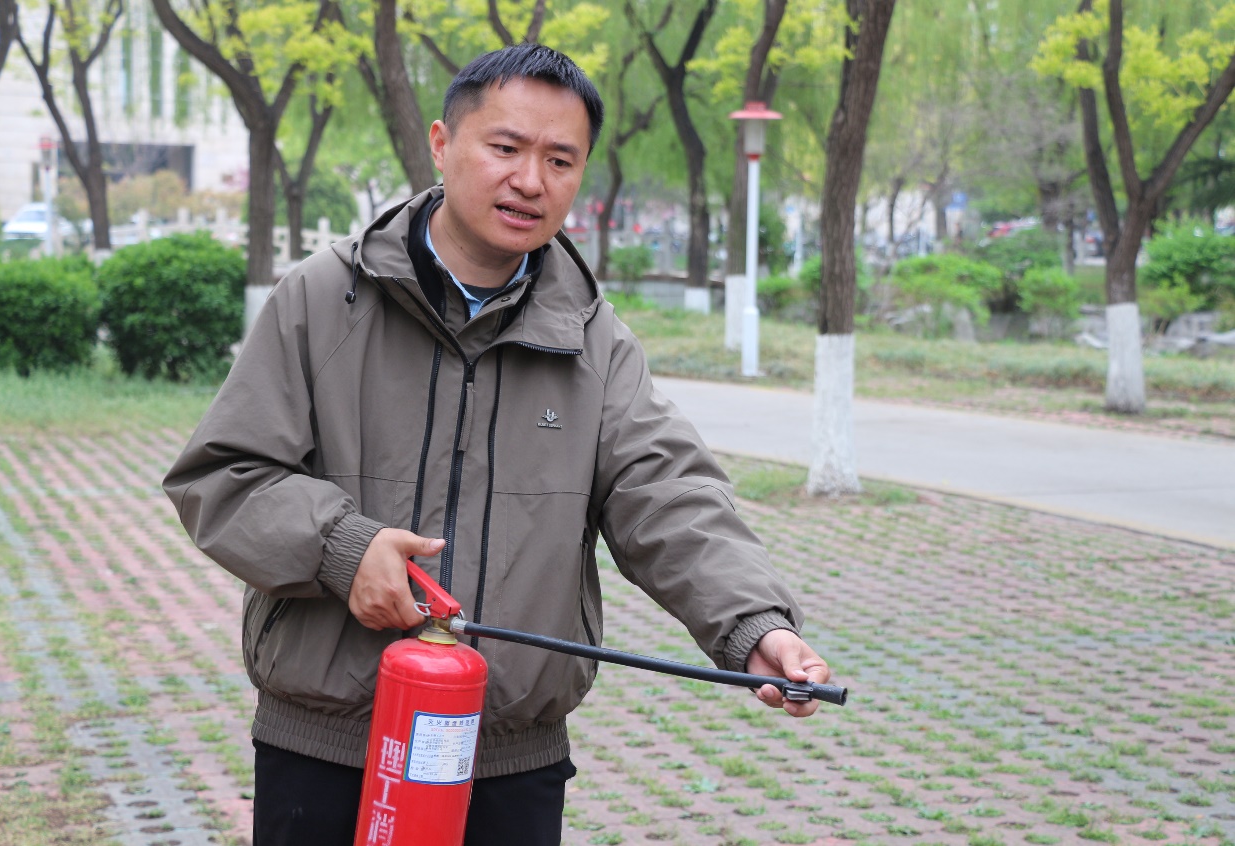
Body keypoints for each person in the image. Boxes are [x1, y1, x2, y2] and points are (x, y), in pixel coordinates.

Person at [164, 43, 831, 846]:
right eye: (505, 147)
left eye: (560, 160)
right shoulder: (323, 299)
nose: (530, 180)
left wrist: (753, 626)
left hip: (509, 760)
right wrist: (343, 549)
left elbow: (666, 492)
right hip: (327, 748)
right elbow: (225, 475)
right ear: (442, 144)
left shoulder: (592, 340)